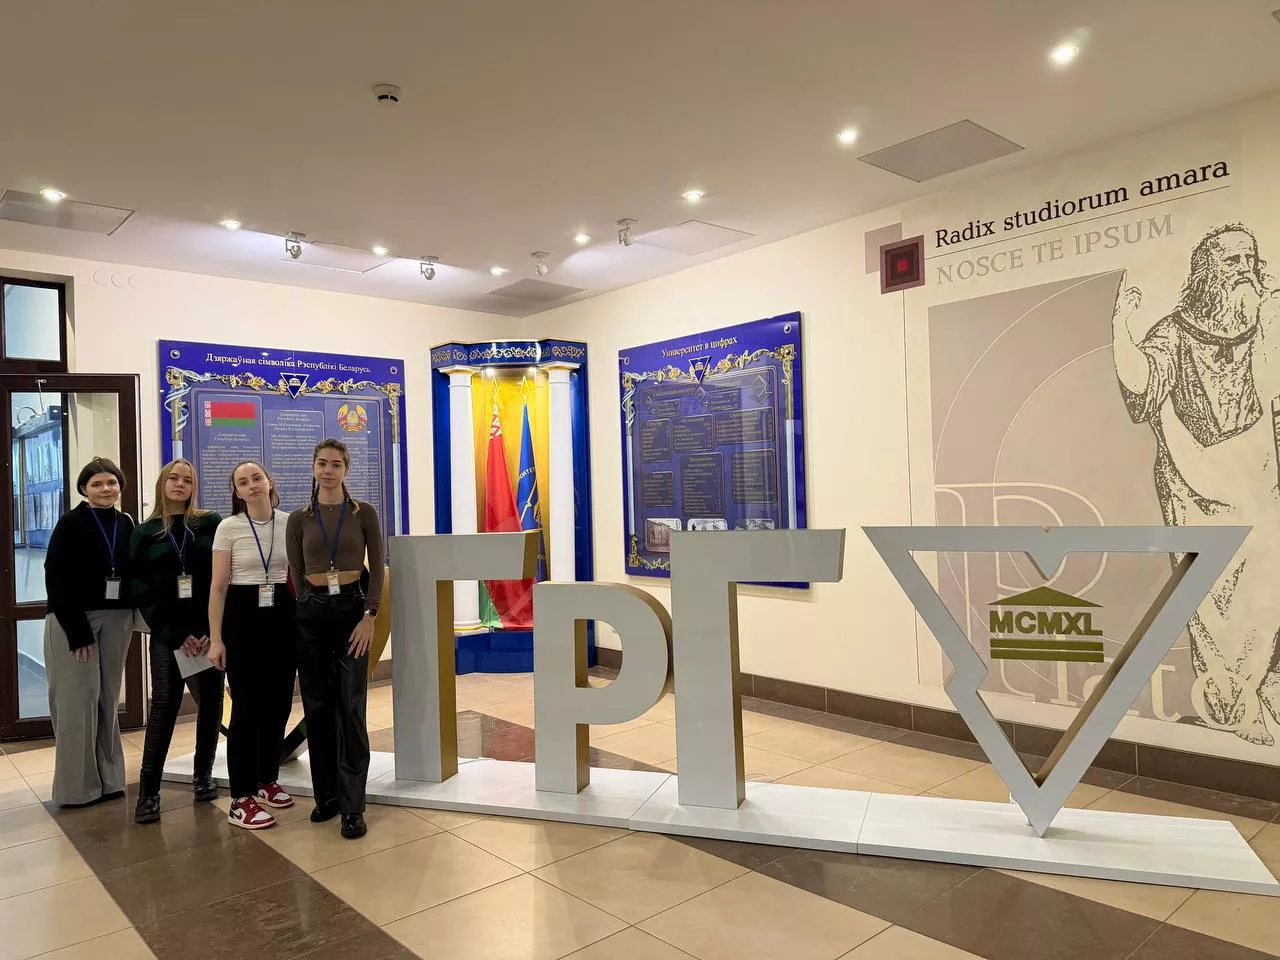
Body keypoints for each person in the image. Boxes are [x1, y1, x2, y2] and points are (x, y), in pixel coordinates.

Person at [1113, 222, 1280, 744]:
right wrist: (1121, 330)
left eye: (1250, 260)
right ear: (1207, 272)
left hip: (1263, 490)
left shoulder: (1268, 316)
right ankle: (1233, 705)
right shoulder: (1175, 332)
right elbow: (1143, 382)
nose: (1245, 270)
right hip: (1195, 492)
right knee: (1210, 601)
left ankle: (1266, 689)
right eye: (1232, 262)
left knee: (1268, 593)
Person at [287, 439, 383, 839]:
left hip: (351, 611)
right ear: (313, 468)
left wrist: (369, 616)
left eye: (336, 465)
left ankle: (352, 806)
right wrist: (308, 608)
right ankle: (326, 796)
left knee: (351, 708)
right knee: (317, 706)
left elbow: (377, 569)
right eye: (322, 464)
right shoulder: (299, 518)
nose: (328, 471)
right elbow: (296, 571)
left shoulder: (364, 513)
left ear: (346, 469)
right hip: (311, 612)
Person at [129, 459, 224, 824]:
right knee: (164, 707)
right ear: (162, 483)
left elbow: (222, 578)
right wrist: (176, 635)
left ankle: (203, 776)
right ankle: (148, 792)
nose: (180, 484)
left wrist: (209, 630)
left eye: (187, 479)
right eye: (174, 478)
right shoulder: (145, 532)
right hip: (169, 635)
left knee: (211, 704)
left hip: (207, 632)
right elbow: (140, 588)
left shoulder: (209, 523)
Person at [207, 461, 296, 830]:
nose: (252, 485)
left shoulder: (290, 522)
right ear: (237, 492)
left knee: (278, 703)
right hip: (242, 617)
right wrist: (216, 639)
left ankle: (266, 779)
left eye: (257, 478)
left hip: (283, 614)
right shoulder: (228, 528)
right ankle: (240, 797)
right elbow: (218, 588)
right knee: (246, 708)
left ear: (269, 482)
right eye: (243, 482)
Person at [43, 457, 135, 808]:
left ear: (120, 486)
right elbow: (56, 576)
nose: (105, 489)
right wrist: (78, 630)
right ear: (84, 488)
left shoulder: (126, 522)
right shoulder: (71, 522)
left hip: (117, 619)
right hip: (73, 620)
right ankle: (77, 789)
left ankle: (110, 780)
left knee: (107, 699)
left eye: (111, 482)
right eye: (97, 484)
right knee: (76, 703)